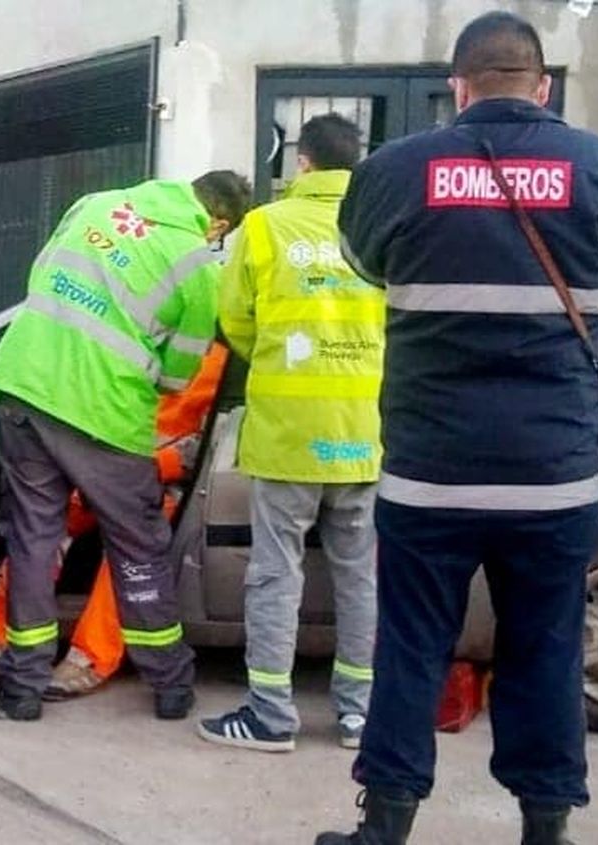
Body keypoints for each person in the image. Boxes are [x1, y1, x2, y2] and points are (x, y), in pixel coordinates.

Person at [316, 13, 598, 845]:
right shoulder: (596, 166)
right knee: (545, 652)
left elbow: (365, 265)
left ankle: (385, 829)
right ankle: (545, 831)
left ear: (458, 86)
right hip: (551, 477)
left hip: (427, 472)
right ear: (542, 86)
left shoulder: (397, 169)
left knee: (410, 647)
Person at [0, 172, 252, 721]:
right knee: (138, 549)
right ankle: (171, 684)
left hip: (23, 385)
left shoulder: (95, 202)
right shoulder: (198, 266)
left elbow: (43, 280)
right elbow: (180, 371)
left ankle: (21, 686)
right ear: (218, 223)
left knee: (34, 538)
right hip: (105, 415)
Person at [196, 114, 385, 754]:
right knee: (359, 576)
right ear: (354, 163)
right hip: (361, 433)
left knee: (276, 574)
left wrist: (280, 360)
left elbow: (235, 321)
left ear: (301, 163)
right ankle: (359, 715)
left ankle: (272, 715)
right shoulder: (381, 224)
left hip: (287, 434)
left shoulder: (265, 227)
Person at [0, 344, 229, 698]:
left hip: (168, 478)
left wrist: (147, 469)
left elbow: (208, 439)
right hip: (111, 461)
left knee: (129, 549)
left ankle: (89, 657)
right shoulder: (137, 334)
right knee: (46, 524)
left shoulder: (223, 354)